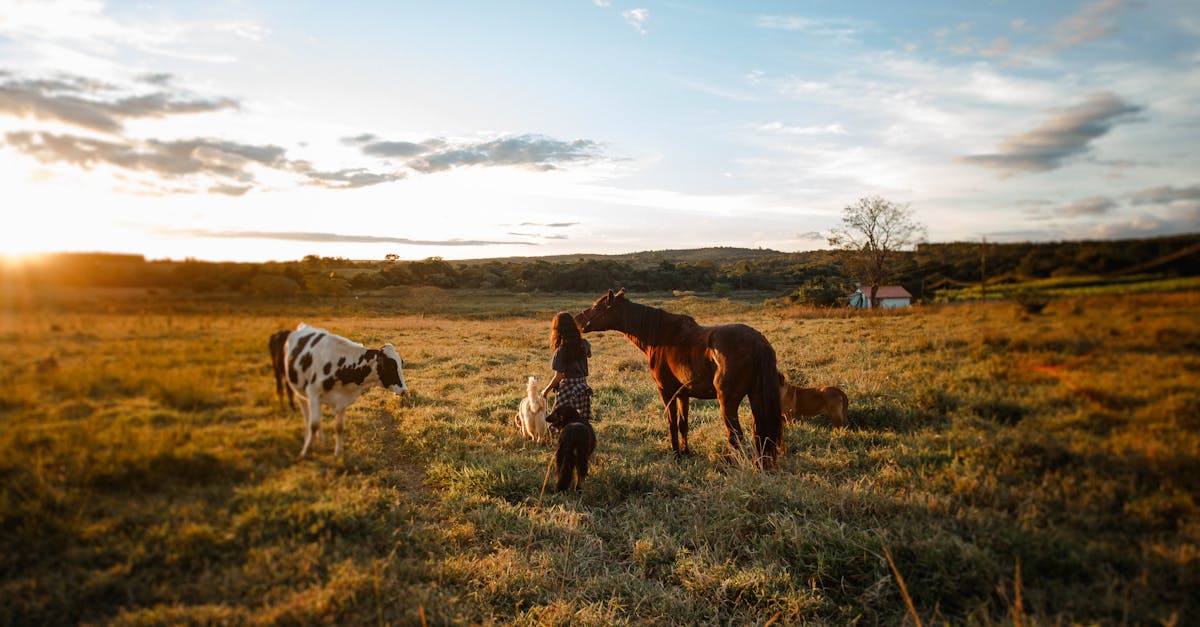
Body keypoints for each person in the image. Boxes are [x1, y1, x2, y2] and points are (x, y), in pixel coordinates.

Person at [541, 311, 593, 421]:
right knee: (580, 420)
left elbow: (559, 376)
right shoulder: (584, 343)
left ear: (558, 330)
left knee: (558, 421)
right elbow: (589, 354)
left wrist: (545, 391)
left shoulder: (561, 350)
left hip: (568, 389)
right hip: (582, 387)